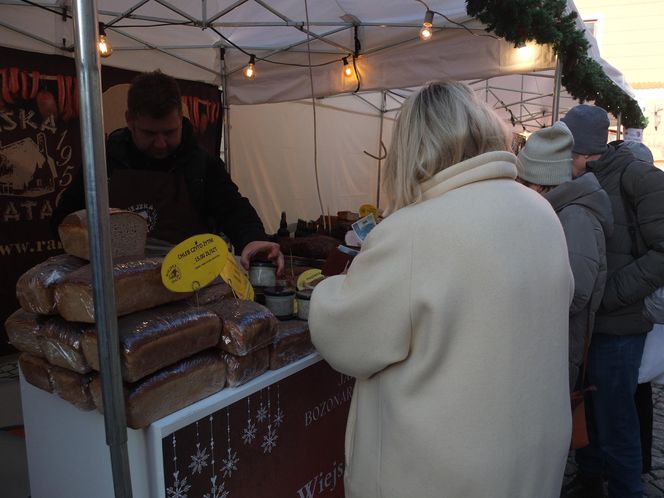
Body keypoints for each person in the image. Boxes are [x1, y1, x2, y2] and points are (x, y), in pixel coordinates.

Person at [308, 81, 574, 498]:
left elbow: (347, 340)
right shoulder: (540, 211)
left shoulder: (415, 231)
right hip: (529, 458)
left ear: (412, 147)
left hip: (441, 474)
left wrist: (326, 291)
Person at [51, 70, 283, 273]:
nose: (161, 143)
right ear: (129, 121)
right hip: (119, 289)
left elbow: (233, 209)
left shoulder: (202, 164)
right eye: (150, 134)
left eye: (170, 132)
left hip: (188, 290)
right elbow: (65, 221)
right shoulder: (103, 163)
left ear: (181, 120)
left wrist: (252, 240)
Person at [561, 104, 664, 498]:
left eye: (568, 155)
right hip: (583, 321)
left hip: (619, 326)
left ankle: (625, 489)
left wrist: (612, 291)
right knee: (584, 408)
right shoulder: (578, 177)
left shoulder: (640, 178)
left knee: (616, 416)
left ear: (586, 152)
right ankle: (589, 478)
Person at [516, 121, 613, 392]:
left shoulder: (574, 215)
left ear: (540, 181)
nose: (518, 187)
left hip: (557, 347)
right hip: (548, 343)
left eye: (523, 181)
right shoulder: (558, 209)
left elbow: (576, 292)